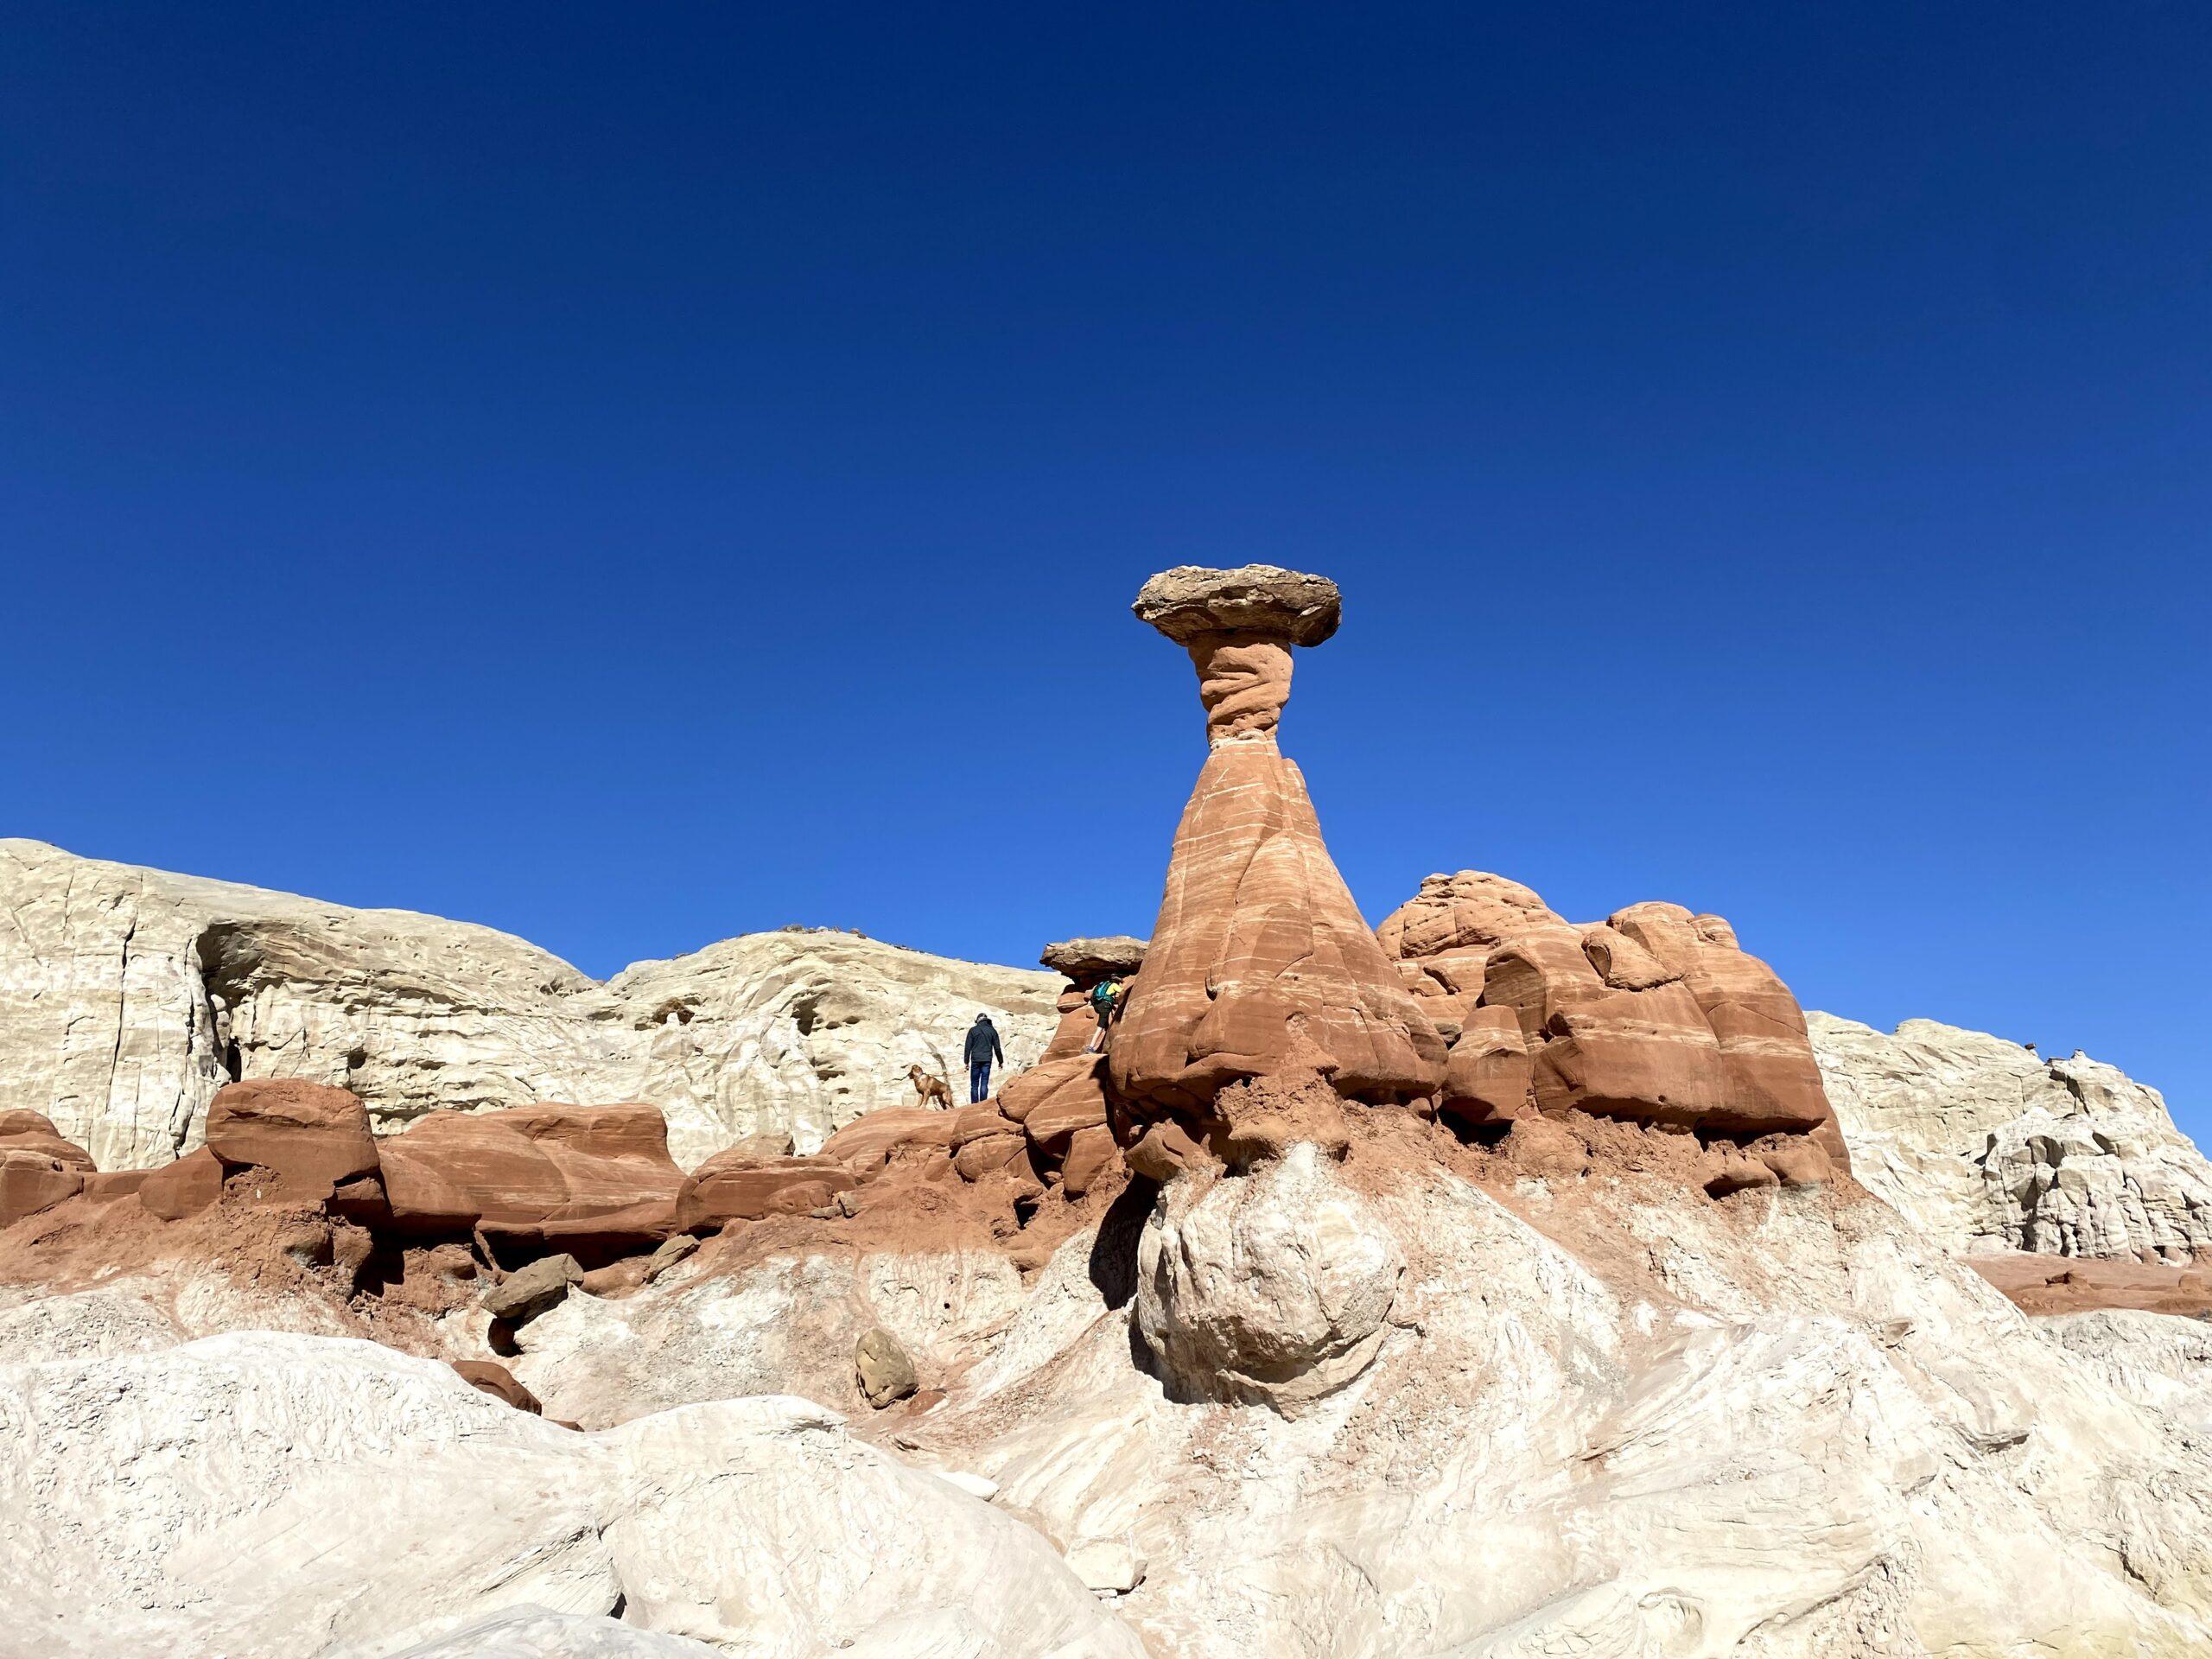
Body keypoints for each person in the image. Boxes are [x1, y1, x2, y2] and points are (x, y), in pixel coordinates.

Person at [963, 1012, 1004, 1103]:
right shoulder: (992, 1031)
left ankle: (974, 1104)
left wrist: (966, 1062)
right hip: (987, 1060)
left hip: (975, 1060)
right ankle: (983, 1104)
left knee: (974, 1084)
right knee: (984, 1083)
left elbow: (968, 1047)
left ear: (978, 1020)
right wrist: (1000, 1061)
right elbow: (997, 1048)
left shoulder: (973, 1030)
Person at [1085, 976, 1122, 1052]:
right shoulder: (1114, 985)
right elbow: (1123, 992)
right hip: (1105, 1006)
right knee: (1100, 1027)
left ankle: (1107, 1044)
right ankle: (1091, 1047)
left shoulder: (1104, 984)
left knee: (1106, 1026)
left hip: (1098, 1006)